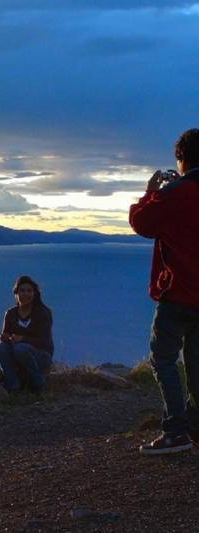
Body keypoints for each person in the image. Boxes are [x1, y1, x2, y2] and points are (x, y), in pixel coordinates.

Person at [129, 128, 199, 455]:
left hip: (179, 294)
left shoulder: (177, 192)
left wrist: (151, 191)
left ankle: (176, 430)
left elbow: (141, 223)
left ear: (181, 158)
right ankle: (195, 427)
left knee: (164, 359)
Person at [0, 275, 54, 393]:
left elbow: (45, 342)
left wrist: (22, 339)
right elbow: (5, 338)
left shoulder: (42, 313)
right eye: (22, 291)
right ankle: (13, 387)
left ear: (34, 294)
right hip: (18, 353)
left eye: (29, 291)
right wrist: (6, 338)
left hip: (41, 355)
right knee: (1, 348)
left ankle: (38, 385)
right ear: (16, 294)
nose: (25, 294)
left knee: (20, 348)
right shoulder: (10, 313)